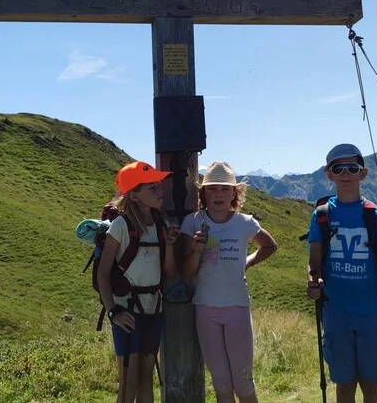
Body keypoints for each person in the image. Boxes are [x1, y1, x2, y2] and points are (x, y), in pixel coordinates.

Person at [305, 143, 377, 403]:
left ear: (362, 174)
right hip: (335, 311)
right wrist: (313, 281)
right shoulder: (321, 215)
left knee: (371, 383)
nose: (346, 173)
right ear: (329, 174)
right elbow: (314, 262)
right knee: (344, 384)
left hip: (371, 313)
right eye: (338, 168)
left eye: (352, 168)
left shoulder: (376, 215)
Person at [179, 161, 279, 403]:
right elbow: (186, 273)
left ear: (234, 193)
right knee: (221, 383)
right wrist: (196, 251)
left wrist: (246, 263)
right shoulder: (192, 222)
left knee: (243, 383)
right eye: (213, 189)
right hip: (205, 308)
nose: (219, 195)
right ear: (203, 193)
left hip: (237, 308)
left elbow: (269, 246)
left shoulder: (244, 223)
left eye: (225, 189)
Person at [97, 161, 179, 403]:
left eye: (159, 185)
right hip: (127, 311)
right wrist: (113, 311)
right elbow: (103, 273)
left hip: (154, 309)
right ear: (133, 195)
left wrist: (171, 245)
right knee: (128, 382)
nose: (159, 190)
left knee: (146, 379)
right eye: (152, 187)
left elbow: (169, 271)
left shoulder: (160, 224)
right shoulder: (121, 226)